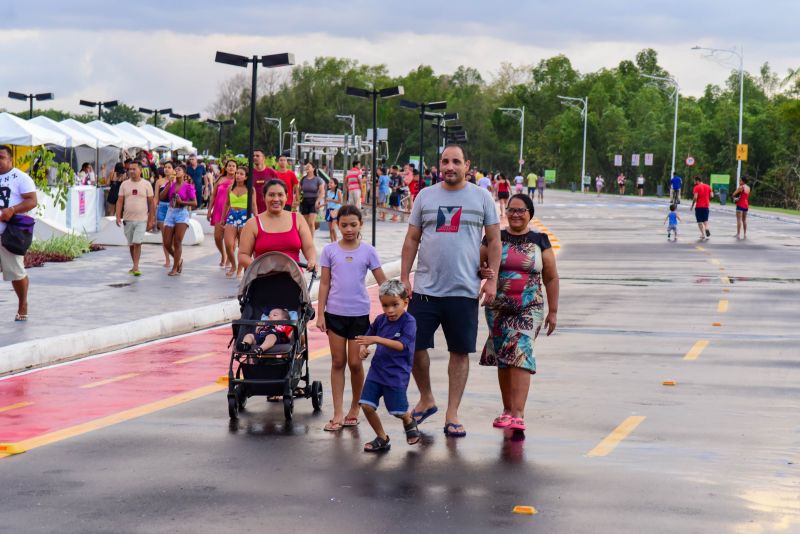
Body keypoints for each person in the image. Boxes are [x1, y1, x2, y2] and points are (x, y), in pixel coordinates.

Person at [400, 144, 501, 438]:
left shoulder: (482, 197)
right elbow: (411, 239)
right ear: (439, 165)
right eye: (445, 161)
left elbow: (494, 241)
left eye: (456, 161)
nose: (450, 167)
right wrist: (405, 277)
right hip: (426, 289)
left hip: (463, 290)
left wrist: (491, 280)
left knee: (459, 351)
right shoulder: (425, 196)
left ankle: (452, 412)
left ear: (466, 165)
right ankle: (427, 397)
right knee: (414, 345)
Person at [478, 194, 559, 432]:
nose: (515, 214)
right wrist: (482, 275)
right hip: (497, 307)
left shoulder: (540, 240)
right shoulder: (495, 238)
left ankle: (518, 412)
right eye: (511, 210)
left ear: (529, 213)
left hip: (529, 308)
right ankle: (506, 409)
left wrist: (552, 312)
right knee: (504, 358)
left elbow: (551, 277)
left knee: (520, 352)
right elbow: (477, 265)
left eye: (521, 210)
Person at [317, 205, 387, 431]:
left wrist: (397, 301)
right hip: (335, 314)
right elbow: (325, 283)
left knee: (356, 363)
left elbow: (382, 281)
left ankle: (355, 407)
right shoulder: (329, 251)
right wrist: (320, 313)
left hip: (359, 315)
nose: (348, 229)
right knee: (338, 362)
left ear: (361, 225)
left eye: (353, 225)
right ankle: (337, 413)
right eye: (344, 225)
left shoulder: (368, 251)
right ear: (337, 225)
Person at [355, 279, 420, 452]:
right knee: (366, 405)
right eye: (385, 305)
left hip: (396, 374)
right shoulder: (380, 320)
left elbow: (401, 346)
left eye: (394, 305)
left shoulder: (409, 322)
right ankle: (382, 437)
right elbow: (366, 338)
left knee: (397, 411)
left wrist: (376, 340)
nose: (389, 310)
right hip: (377, 371)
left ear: (405, 302)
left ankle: (408, 419)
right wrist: (363, 348)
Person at [237, 179, 317, 272]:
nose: (276, 199)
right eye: (271, 195)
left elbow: (309, 247)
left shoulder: (298, 219)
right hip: (262, 279)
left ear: (286, 197)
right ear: (264, 197)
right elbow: (243, 255)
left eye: (280, 195)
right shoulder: (252, 223)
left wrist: (312, 260)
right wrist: (260, 268)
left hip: (294, 279)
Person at [0, 145, 37, 321]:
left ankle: (23, 304)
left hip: (10, 233)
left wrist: (12, 209)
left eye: (1, 157)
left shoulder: (21, 178)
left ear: (10, 159)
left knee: (16, 272)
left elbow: (32, 200)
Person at [115, 161, 155, 276]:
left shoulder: (147, 184)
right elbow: (120, 201)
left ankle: (136, 266)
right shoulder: (124, 184)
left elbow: (151, 203)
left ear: (140, 170)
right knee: (131, 244)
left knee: (137, 242)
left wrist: (151, 219)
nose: (131, 171)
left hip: (142, 219)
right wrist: (118, 216)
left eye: (134, 169)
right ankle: (134, 265)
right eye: (130, 169)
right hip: (127, 219)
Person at [160, 163, 197, 276]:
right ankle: (179, 260)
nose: (177, 171)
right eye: (175, 169)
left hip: (182, 213)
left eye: (179, 169)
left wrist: (182, 202)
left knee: (177, 241)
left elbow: (195, 203)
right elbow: (162, 197)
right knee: (166, 243)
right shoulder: (170, 184)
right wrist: (169, 184)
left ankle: (175, 268)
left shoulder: (188, 186)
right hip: (170, 212)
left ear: (184, 173)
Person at [207, 159, 236, 270]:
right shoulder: (220, 179)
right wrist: (209, 210)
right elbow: (213, 196)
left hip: (232, 211)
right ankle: (223, 254)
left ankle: (229, 259)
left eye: (233, 166)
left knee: (231, 240)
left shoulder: (238, 181)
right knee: (217, 237)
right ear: (226, 167)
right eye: (229, 165)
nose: (231, 168)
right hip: (219, 211)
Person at [223, 166, 249, 278]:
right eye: (237, 173)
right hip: (232, 215)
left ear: (246, 177)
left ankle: (240, 269)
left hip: (245, 215)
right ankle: (233, 265)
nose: (238, 175)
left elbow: (254, 205)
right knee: (228, 243)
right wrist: (222, 218)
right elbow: (227, 204)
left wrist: (256, 219)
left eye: (241, 174)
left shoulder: (249, 189)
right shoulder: (230, 188)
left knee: (243, 245)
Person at [299, 162, 325, 239]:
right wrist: (297, 199)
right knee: (306, 223)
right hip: (305, 201)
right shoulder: (303, 179)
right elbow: (298, 190)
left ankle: (311, 240)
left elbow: (322, 192)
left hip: (314, 201)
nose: (306, 167)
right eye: (306, 166)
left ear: (313, 169)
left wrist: (318, 201)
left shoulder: (318, 179)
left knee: (311, 222)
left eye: (308, 166)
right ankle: (306, 238)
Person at [155, 162, 174, 268]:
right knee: (165, 237)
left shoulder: (177, 181)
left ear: (173, 169)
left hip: (173, 208)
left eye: (169, 167)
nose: (166, 169)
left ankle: (176, 257)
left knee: (174, 236)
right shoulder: (159, 181)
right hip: (162, 208)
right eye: (165, 167)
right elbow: (156, 197)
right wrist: (153, 211)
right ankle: (167, 259)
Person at [251, 149, 278, 214]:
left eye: (257, 156)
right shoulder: (249, 173)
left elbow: (277, 189)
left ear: (263, 158)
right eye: (253, 156)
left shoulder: (272, 173)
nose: (255, 157)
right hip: (253, 208)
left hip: (268, 207)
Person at [690, 175, 713, 240]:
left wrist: (692, 205)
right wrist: (706, 199)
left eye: (694, 181)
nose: (694, 182)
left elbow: (695, 197)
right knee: (705, 220)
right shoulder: (708, 186)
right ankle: (706, 228)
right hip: (706, 206)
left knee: (699, 221)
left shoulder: (696, 187)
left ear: (697, 181)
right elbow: (712, 195)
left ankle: (703, 234)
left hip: (699, 206)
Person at [324, 177, 343, 242]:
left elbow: (340, 201)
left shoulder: (338, 191)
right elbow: (327, 202)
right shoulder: (328, 192)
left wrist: (331, 200)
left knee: (333, 228)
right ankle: (332, 243)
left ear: (335, 184)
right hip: (329, 210)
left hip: (336, 211)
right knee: (330, 229)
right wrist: (320, 205)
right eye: (329, 182)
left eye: (331, 183)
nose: (329, 184)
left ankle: (336, 242)